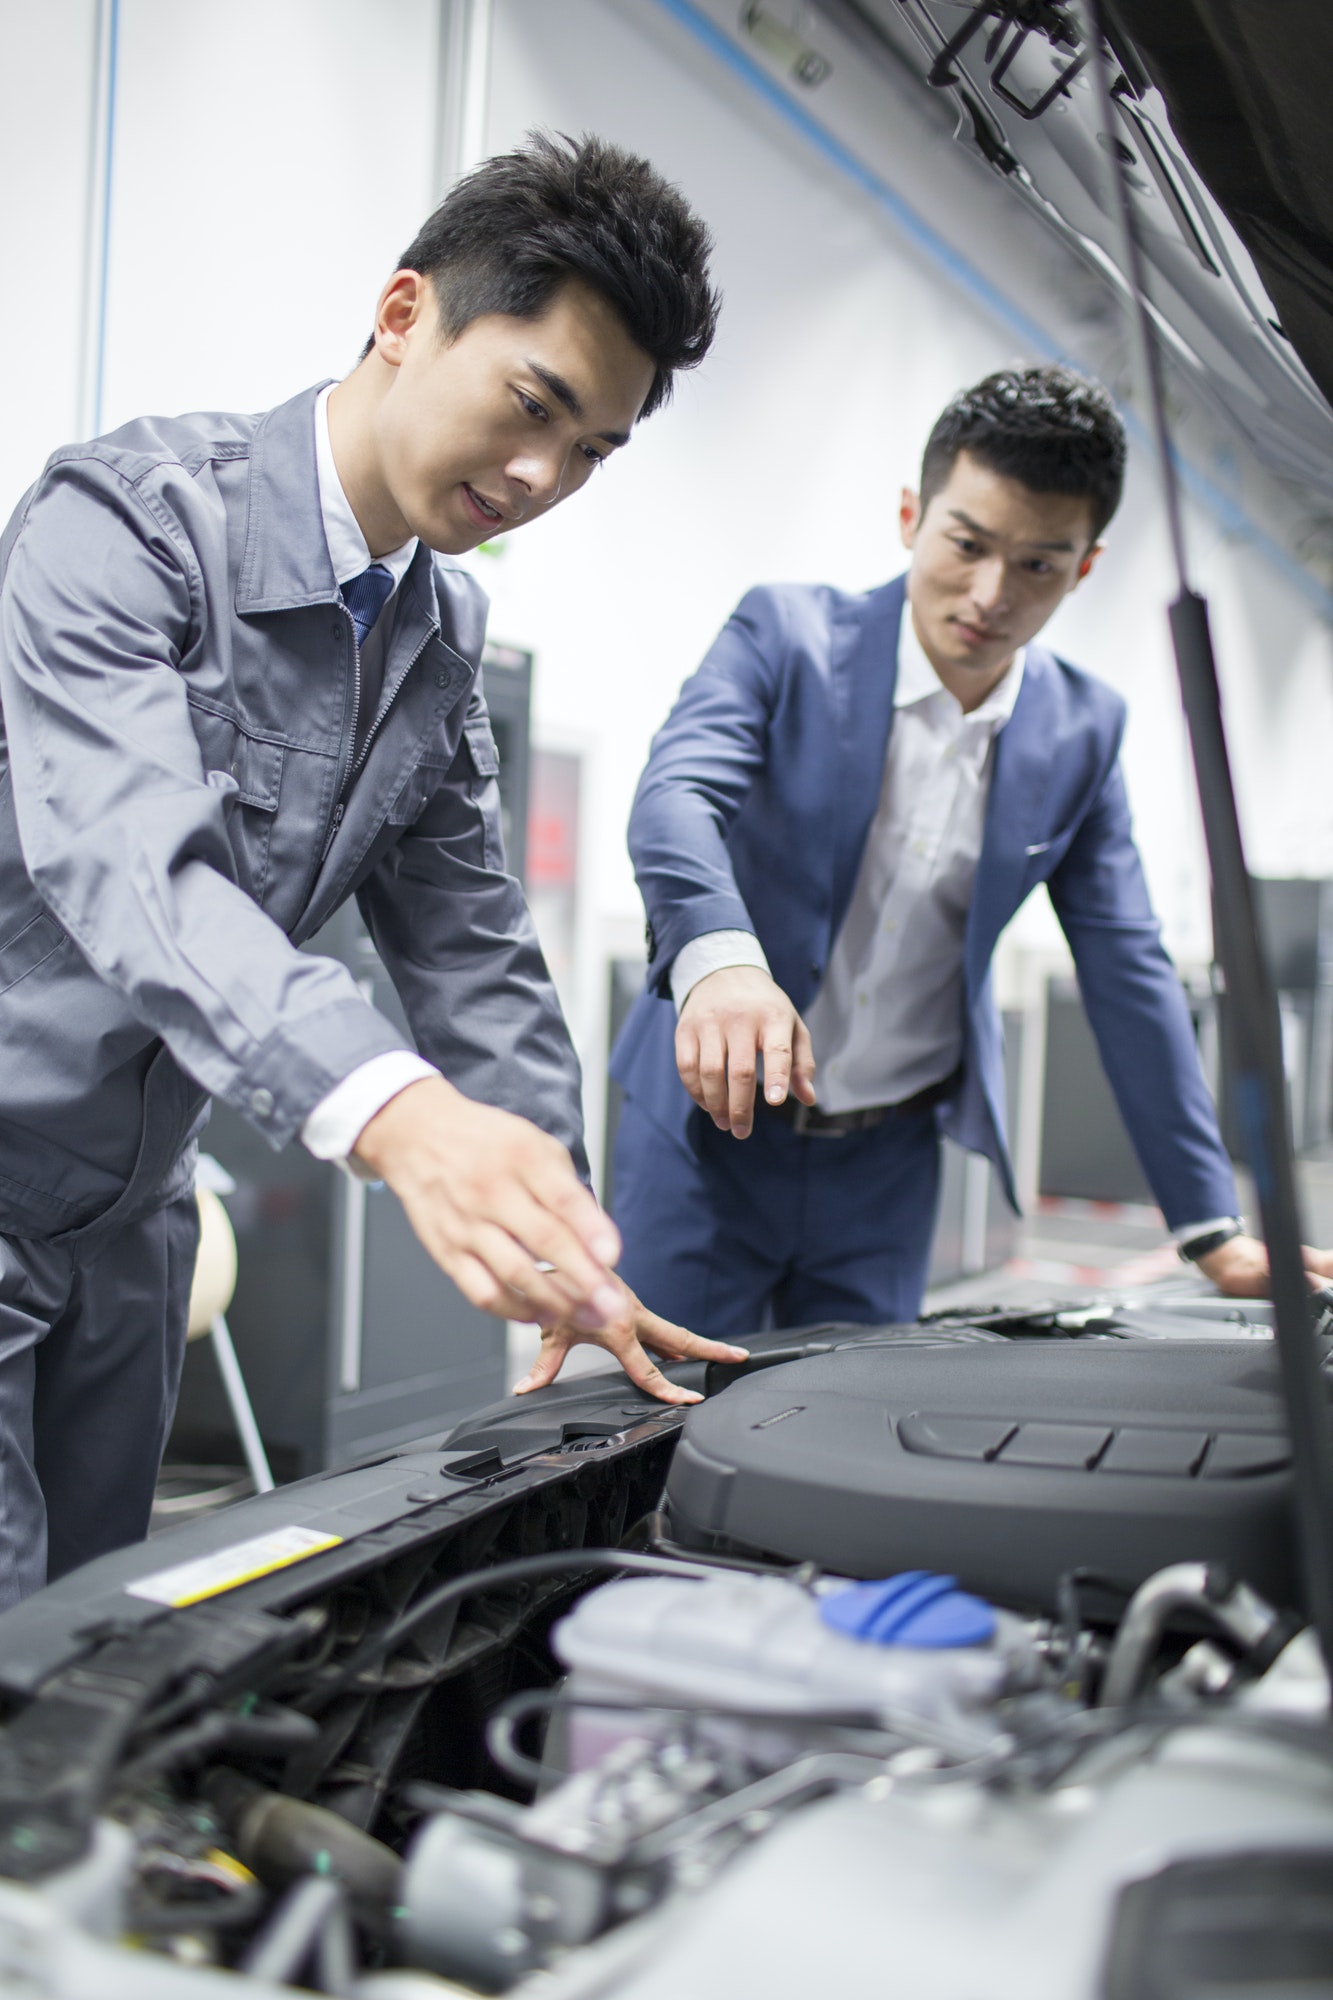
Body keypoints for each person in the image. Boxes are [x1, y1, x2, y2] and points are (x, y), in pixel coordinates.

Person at [0, 133, 746, 1607]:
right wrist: (396, 1116)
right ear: (406, 316)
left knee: (92, 1647)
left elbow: (474, 951)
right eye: (534, 404)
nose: (543, 475)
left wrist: (568, 1244)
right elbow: (138, 870)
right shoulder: (129, 527)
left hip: (131, 1242)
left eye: (593, 450)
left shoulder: (433, 640)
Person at [598, 364, 1333, 1343]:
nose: (990, 593)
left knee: (850, 1451)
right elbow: (675, 795)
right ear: (912, 513)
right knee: (650, 1440)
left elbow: (1127, 968)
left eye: (1038, 564)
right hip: (706, 1137)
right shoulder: (784, 635)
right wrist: (722, 960)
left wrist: (1212, 1229)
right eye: (967, 543)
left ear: (1084, 567)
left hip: (887, 1170)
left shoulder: (1081, 730)